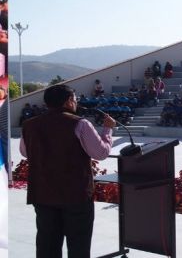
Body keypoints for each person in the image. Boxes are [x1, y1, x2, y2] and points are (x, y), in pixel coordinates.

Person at [20, 84, 116, 258]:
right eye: (75, 99)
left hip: (42, 194)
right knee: (78, 245)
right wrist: (107, 130)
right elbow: (101, 153)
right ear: (69, 101)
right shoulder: (80, 123)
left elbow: (25, 152)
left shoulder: (29, 125)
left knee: (47, 245)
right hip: (75, 195)